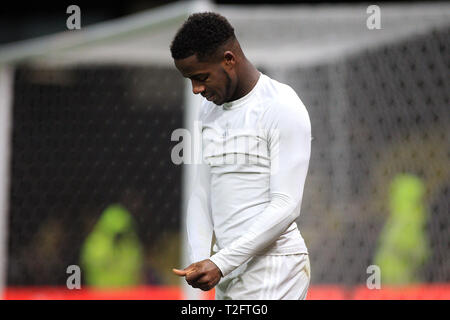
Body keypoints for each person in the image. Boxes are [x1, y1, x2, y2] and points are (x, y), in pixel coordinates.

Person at [170, 12, 312, 300]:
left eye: (200, 77)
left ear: (229, 60)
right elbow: (201, 192)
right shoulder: (209, 110)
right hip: (230, 271)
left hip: (275, 267)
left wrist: (220, 262)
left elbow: (287, 204)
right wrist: (202, 259)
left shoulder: (281, 105)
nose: (196, 89)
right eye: (190, 81)